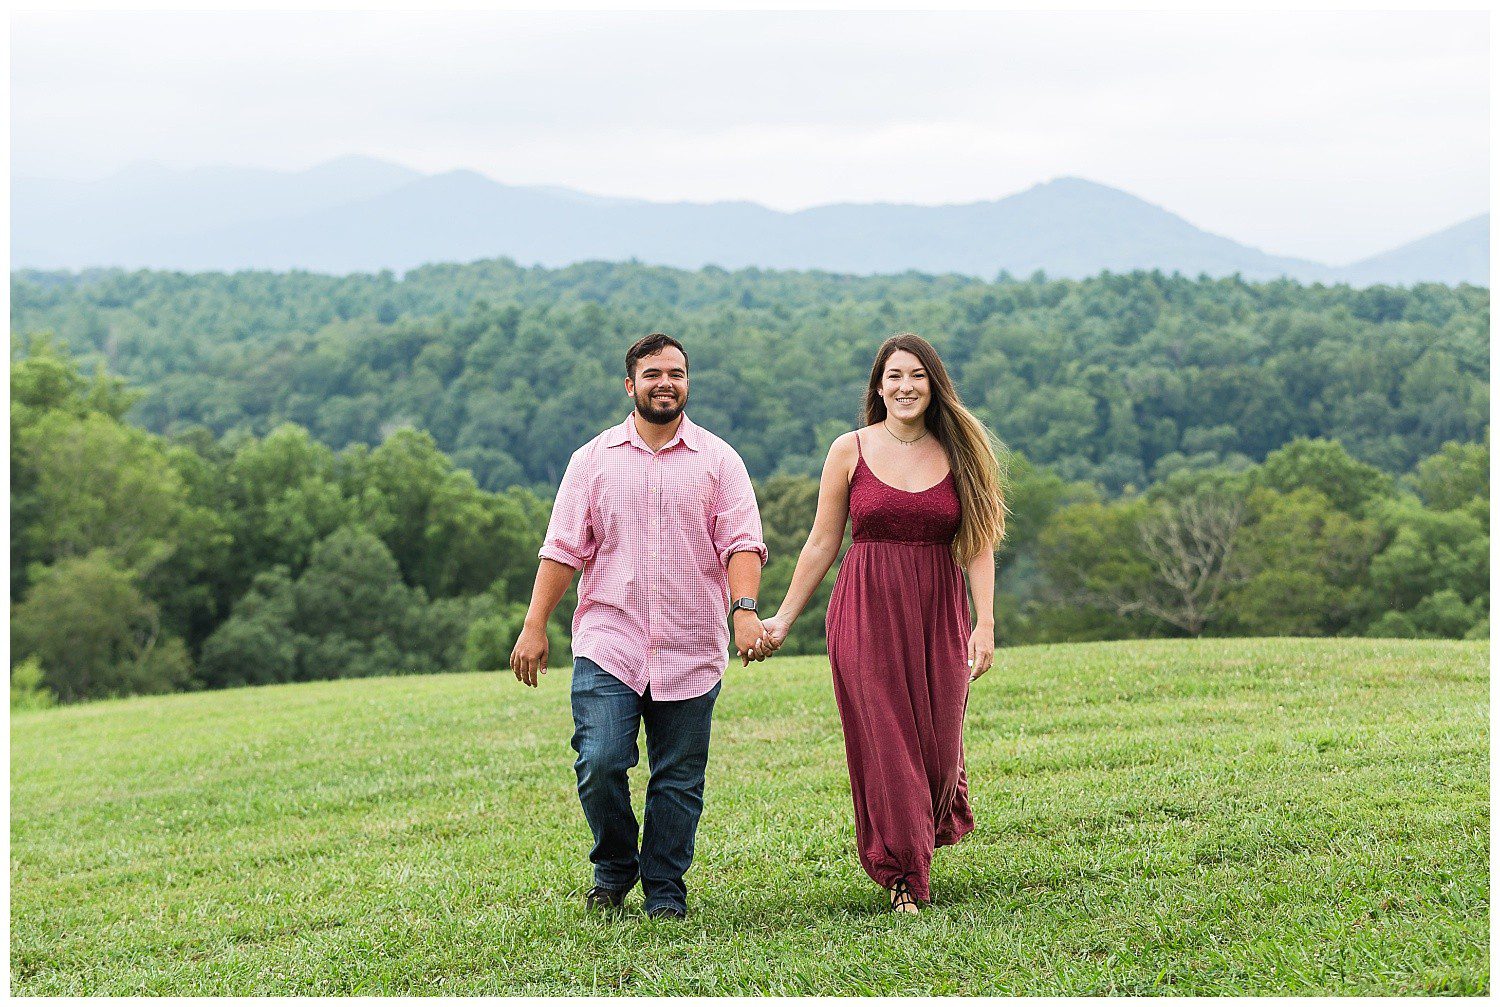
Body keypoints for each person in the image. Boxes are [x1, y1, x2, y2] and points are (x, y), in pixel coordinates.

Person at [509, 332, 770, 921]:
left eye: (676, 373)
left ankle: (665, 890)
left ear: (687, 383)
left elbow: (741, 543)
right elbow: (562, 549)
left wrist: (746, 609)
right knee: (599, 760)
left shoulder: (719, 460)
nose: (665, 383)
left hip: (691, 646)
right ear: (631, 385)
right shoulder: (592, 460)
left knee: (677, 779)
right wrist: (534, 625)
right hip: (611, 641)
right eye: (652, 374)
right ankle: (615, 866)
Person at [755, 332, 1006, 914]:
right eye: (894, 376)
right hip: (865, 613)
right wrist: (784, 618)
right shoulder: (850, 449)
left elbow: (980, 546)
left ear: (934, 384)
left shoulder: (963, 451)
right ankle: (905, 878)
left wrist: (985, 623)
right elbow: (822, 541)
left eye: (917, 375)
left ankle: (922, 830)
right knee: (889, 745)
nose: (906, 386)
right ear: (878, 386)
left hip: (939, 613)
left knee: (942, 749)